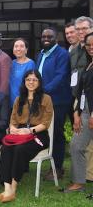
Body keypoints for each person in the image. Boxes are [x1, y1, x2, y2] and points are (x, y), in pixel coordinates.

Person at [0, 70, 53, 203]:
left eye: (34, 80)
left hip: (38, 134)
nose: (31, 82)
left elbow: (46, 123)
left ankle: (13, 188)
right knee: (5, 148)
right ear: (24, 82)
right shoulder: (19, 99)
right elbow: (13, 120)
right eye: (28, 79)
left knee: (19, 149)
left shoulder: (46, 98)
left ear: (39, 82)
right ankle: (7, 187)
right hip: (20, 133)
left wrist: (29, 130)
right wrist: (14, 130)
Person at [36, 27, 71, 180]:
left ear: (56, 38)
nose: (46, 39)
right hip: (44, 101)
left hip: (57, 100)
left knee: (56, 133)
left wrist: (43, 91)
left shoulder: (62, 54)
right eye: (43, 36)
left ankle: (57, 168)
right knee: (47, 132)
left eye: (49, 36)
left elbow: (60, 76)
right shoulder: (41, 54)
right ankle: (51, 162)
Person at [63, 32, 93, 193]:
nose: (91, 48)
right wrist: (77, 112)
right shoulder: (89, 64)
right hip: (85, 111)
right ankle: (79, 182)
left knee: (77, 145)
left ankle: (79, 182)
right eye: (89, 45)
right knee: (76, 145)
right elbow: (82, 91)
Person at [71, 16, 93, 182]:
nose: (80, 32)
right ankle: (84, 176)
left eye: (84, 28)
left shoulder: (88, 49)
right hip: (81, 99)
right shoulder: (76, 49)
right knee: (82, 141)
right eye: (78, 29)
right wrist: (77, 109)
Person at [8, 38, 36, 108]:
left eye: (21, 46)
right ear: (13, 50)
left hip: (24, 102)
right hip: (10, 101)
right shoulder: (11, 63)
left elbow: (32, 84)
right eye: (16, 46)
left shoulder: (30, 64)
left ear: (26, 50)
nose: (18, 49)